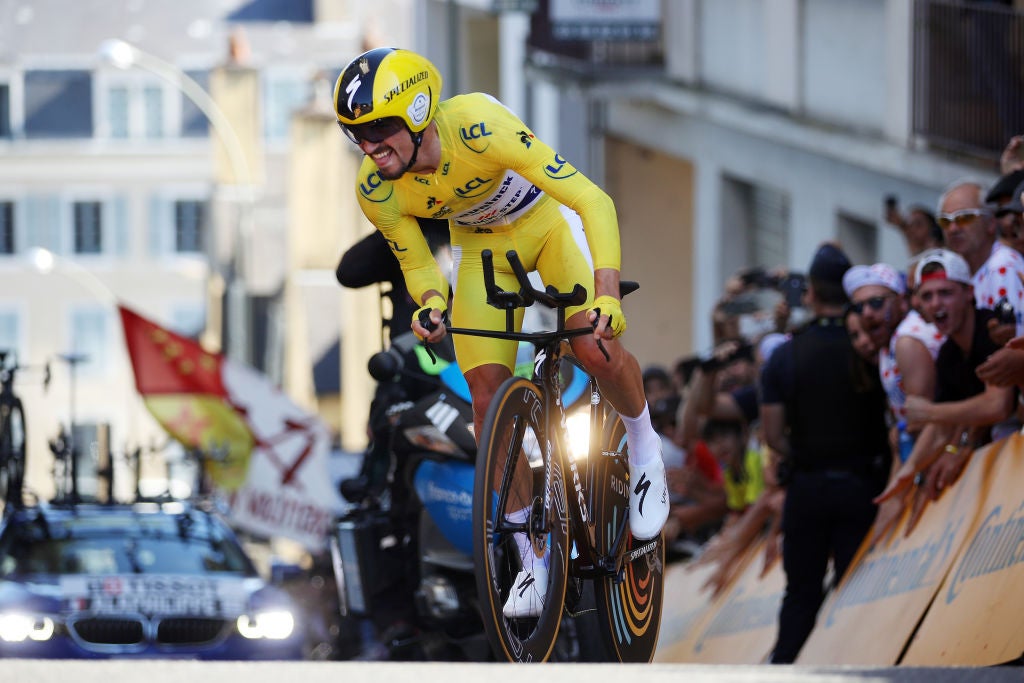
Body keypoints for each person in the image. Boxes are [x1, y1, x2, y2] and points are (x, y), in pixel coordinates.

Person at [332, 47, 669, 618]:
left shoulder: (480, 129)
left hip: (550, 229)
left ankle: (643, 446)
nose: (369, 147)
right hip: (483, 250)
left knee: (591, 343)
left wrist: (607, 293)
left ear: (418, 112)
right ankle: (530, 559)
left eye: (379, 129)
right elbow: (415, 262)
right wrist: (432, 302)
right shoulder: (376, 188)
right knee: (486, 402)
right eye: (355, 134)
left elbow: (593, 200)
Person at [759, 243, 891, 664]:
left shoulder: (785, 355)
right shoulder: (870, 347)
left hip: (808, 489)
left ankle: (783, 669)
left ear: (811, 292)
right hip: (865, 488)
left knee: (800, 595)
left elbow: (773, 435)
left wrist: (800, 450)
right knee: (857, 593)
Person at [877, 249, 1016, 506]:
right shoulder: (948, 354)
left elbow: (998, 405)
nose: (936, 304)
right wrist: (909, 472)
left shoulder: (991, 330)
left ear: (969, 293)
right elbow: (941, 428)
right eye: (927, 296)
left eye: (945, 293)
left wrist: (931, 413)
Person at [936, 180, 1024, 345]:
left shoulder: (1002, 266)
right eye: (945, 221)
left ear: (990, 223)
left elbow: (1013, 346)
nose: (953, 229)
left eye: (964, 218)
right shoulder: (966, 271)